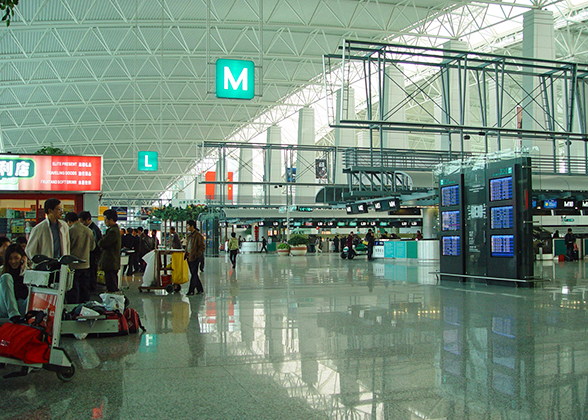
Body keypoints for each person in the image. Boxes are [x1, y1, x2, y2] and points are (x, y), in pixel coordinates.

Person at [65, 212, 95, 303]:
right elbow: (92, 247)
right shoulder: (88, 231)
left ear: (69, 221)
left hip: (73, 265)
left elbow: (66, 248)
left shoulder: (70, 231)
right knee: (84, 287)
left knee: (74, 288)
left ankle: (75, 307)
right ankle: (85, 305)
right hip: (86, 264)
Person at [0, 244, 28, 322]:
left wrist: (24, 270)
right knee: (6, 276)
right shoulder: (1, 271)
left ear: (22, 258)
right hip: (5, 308)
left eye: (16, 258)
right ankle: (14, 315)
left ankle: (18, 316)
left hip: (21, 307)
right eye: (10, 259)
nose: (13, 262)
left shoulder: (28, 271)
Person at [98, 209, 121, 293]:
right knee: (111, 282)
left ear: (111, 220)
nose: (105, 222)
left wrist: (101, 240)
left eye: (105, 219)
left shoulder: (113, 231)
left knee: (111, 285)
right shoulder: (114, 230)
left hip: (110, 261)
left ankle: (113, 302)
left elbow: (103, 243)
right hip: (112, 262)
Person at [79, 211, 102, 291]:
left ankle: (92, 289)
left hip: (92, 256)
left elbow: (94, 245)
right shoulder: (92, 228)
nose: (81, 224)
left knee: (91, 273)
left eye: (82, 221)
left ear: (87, 220)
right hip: (92, 255)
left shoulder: (92, 230)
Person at [185, 220, 205, 296]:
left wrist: (197, 255)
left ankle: (191, 290)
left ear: (192, 226)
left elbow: (202, 247)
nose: (187, 227)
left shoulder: (198, 236)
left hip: (194, 257)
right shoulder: (189, 235)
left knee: (193, 274)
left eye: (188, 226)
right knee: (194, 274)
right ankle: (200, 289)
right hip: (189, 257)